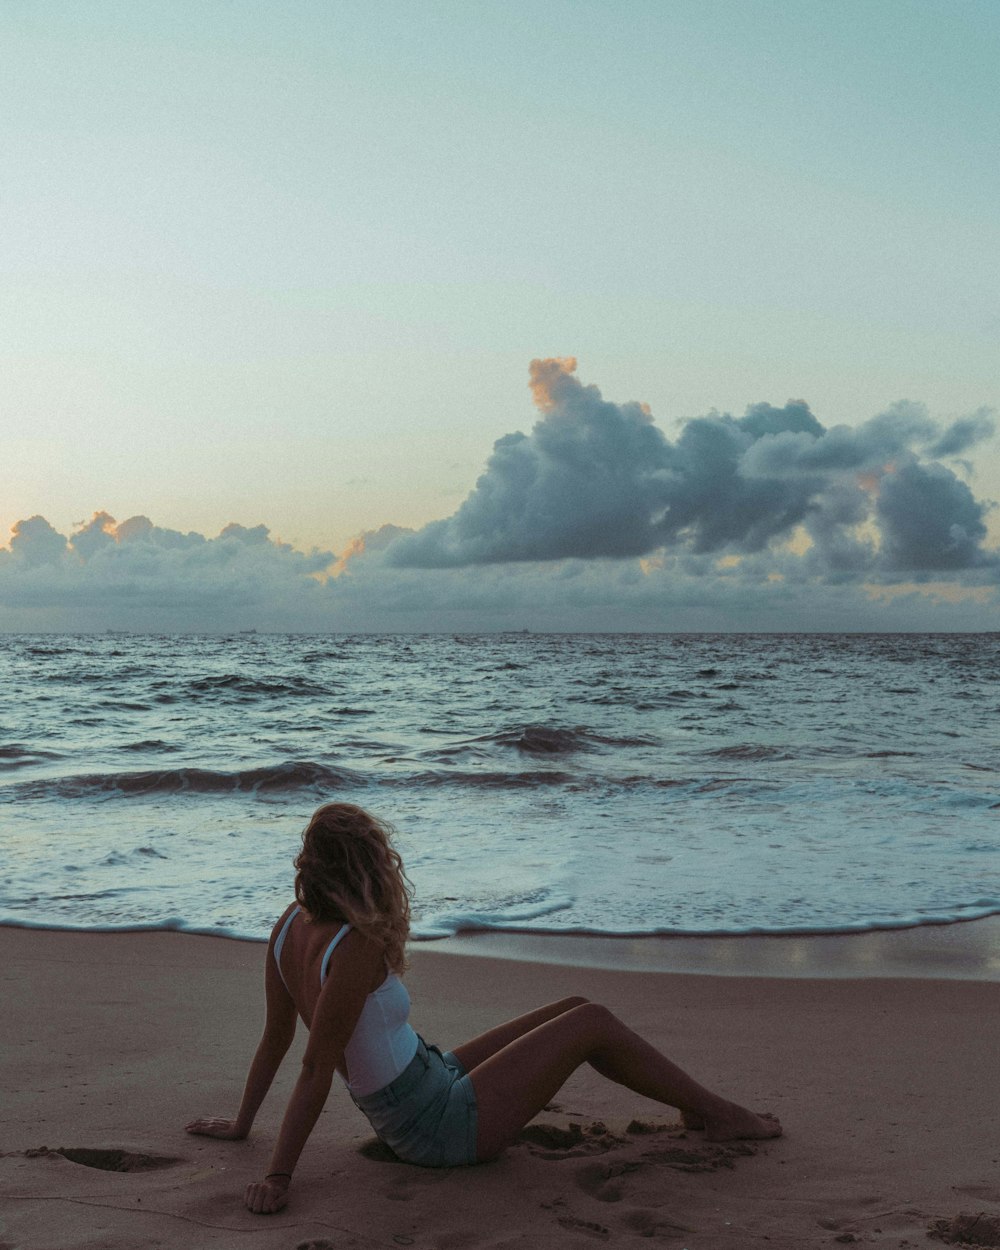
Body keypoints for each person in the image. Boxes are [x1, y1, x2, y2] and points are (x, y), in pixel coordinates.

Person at [186, 802, 781, 1214]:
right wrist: (278, 1175)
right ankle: (723, 1114)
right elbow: (314, 1067)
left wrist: (242, 1126)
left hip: (427, 1080)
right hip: (433, 1128)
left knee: (575, 1006)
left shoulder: (286, 926)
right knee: (593, 1022)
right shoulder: (356, 945)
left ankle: (698, 1109)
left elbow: (274, 1038)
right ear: (366, 866)